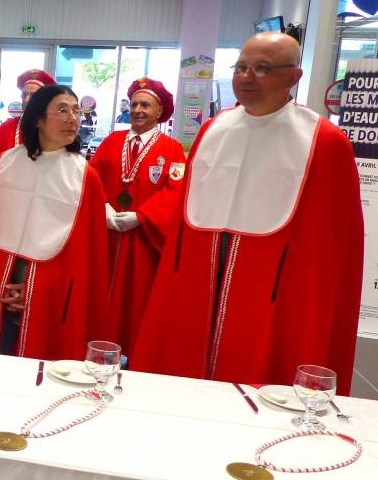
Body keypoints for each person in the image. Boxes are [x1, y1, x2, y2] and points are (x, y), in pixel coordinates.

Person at [132, 32, 362, 393]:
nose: (246, 77)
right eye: (241, 67)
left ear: (294, 76)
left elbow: (330, 242)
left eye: (262, 68)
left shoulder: (325, 141)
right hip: (203, 270)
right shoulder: (214, 128)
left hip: (275, 283)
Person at [0, 85, 109, 359]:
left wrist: (35, 290)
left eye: (76, 111)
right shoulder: (1, 165)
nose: (73, 118)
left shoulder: (86, 177)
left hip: (52, 294)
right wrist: (1, 283)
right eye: (62, 110)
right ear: (38, 118)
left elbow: (85, 258)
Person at [89, 78, 185, 353]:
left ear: (159, 111)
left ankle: (132, 353)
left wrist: (142, 216)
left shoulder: (172, 149)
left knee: (137, 297)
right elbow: (91, 177)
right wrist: (102, 206)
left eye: (145, 105)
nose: (137, 110)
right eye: (134, 104)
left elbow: (175, 191)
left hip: (144, 240)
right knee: (99, 291)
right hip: (107, 235)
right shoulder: (111, 142)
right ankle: (94, 346)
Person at [0, 69, 56, 162]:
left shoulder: (53, 128)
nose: (26, 100)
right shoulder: (7, 127)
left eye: (33, 95)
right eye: (24, 94)